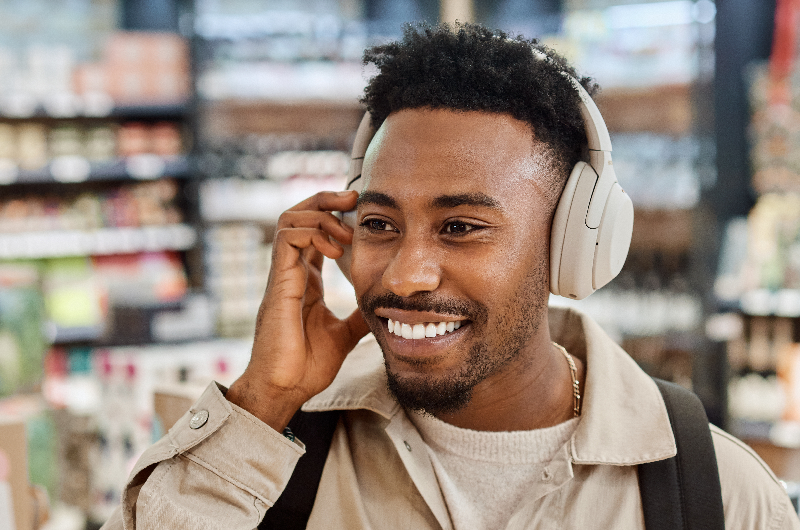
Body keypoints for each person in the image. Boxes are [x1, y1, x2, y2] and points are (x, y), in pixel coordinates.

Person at [102, 23, 799, 530]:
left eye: (461, 227)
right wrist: (263, 400)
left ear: (570, 244)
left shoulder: (712, 493)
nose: (406, 276)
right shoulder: (280, 459)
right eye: (378, 224)